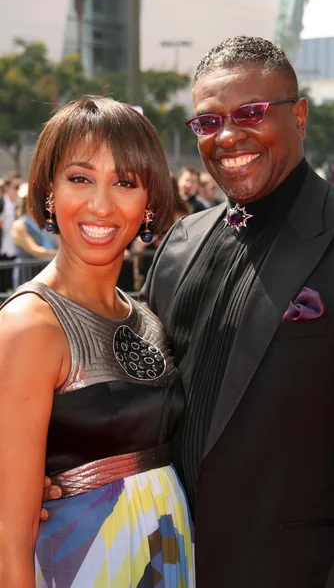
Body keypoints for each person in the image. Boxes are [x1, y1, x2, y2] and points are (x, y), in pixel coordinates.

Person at [139, 36, 334, 587]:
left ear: (299, 115)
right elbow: (144, 398)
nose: (229, 136)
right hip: (167, 563)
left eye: (251, 113)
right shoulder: (181, 240)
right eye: (208, 123)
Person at [0, 96, 194, 587]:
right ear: (48, 191)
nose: (101, 205)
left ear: (149, 200)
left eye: (124, 183)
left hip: (168, 557)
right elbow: (7, 537)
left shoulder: (146, 316)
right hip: (79, 564)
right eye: (80, 178)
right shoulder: (30, 325)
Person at [12, 182, 58, 288]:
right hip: (28, 274)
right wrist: (60, 254)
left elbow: (59, 243)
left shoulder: (48, 222)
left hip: (49, 272)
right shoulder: (19, 225)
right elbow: (34, 250)